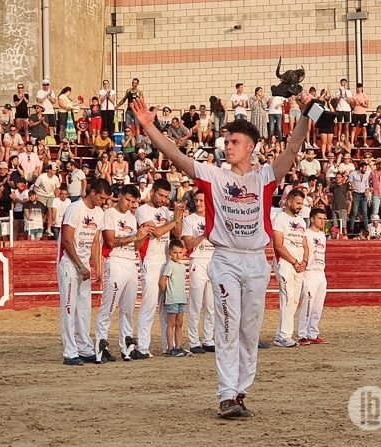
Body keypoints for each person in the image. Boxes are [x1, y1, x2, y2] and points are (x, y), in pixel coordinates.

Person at [131, 93, 310, 418]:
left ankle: (241, 391)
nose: (227, 147)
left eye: (234, 142)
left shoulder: (264, 177)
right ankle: (227, 395)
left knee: (249, 330)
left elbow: (293, 146)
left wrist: (309, 114)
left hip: (255, 260)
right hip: (225, 259)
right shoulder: (213, 176)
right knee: (227, 325)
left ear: (250, 147)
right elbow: (173, 154)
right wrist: (149, 127)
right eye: (226, 142)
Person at [58, 179, 112, 366]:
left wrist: (96, 266)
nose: (103, 202)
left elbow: (96, 241)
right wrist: (80, 265)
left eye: (105, 199)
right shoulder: (75, 209)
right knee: (69, 307)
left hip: (84, 266)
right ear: (93, 192)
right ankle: (70, 351)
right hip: (69, 263)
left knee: (84, 308)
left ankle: (84, 347)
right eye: (101, 198)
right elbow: (67, 240)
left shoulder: (99, 213)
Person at [95, 184, 151, 363]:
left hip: (130, 262)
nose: (130, 204)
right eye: (128, 200)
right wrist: (135, 236)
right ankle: (101, 346)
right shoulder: (110, 214)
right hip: (115, 261)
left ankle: (127, 346)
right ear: (120, 196)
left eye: (133, 201)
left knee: (128, 308)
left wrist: (142, 235)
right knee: (109, 306)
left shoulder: (131, 218)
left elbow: (135, 246)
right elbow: (110, 241)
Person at [133, 178, 182, 359]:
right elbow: (157, 232)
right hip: (151, 261)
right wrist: (174, 220)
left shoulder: (165, 211)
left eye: (166, 197)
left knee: (166, 306)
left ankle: (167, 345)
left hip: (166, 262)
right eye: (161, 195)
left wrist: (178, 217)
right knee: (149, 304)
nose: (163, 199)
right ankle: (143, 346)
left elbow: (177, 233)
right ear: (152, 192)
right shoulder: (142, 210)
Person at [273, 189, 308, 348]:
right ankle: (283, 335)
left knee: (294, 300)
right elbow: (278, 245)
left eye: (302, 204)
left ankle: (283, 334)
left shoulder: (301, 221)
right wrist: (294, 262)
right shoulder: (280, 218)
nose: (300, 206)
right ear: (288, 201)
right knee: (287, 298)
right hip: (286, 263)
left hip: (298, 265)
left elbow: (305, 244)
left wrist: (304, 261)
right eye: (298, 203)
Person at [182, 190, 216, 354]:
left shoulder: (216, 218)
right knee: (195, 303)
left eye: (201, 200)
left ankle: (208, 339)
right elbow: (188, 244)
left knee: (211, 305)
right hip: (198, 260)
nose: (198, 203)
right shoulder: (190, 220)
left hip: (214, 261)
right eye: (196, 200)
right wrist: (203, 235)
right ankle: (194, 340)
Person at [297, 208, 328, 345]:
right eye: (320, 218)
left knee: (318, 305)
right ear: (312, 219)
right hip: (309, 272)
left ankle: (313, 333)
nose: (322, 221)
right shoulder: (306, 234)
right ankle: (302, 334)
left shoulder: (322, 235)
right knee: (308, 304)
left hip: (321, 272)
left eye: (324, 219)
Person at [157, 238, 192, 357]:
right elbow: (162, 281)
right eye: (175, 252)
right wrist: (166, 294)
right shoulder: (170, 265)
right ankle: (170, 348)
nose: (178, 255)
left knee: (179, 323)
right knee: (171, 323)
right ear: (170, 253)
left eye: (180, 252)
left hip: (181, 299)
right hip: (172, 299)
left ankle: (178, 346)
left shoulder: (182, 266)